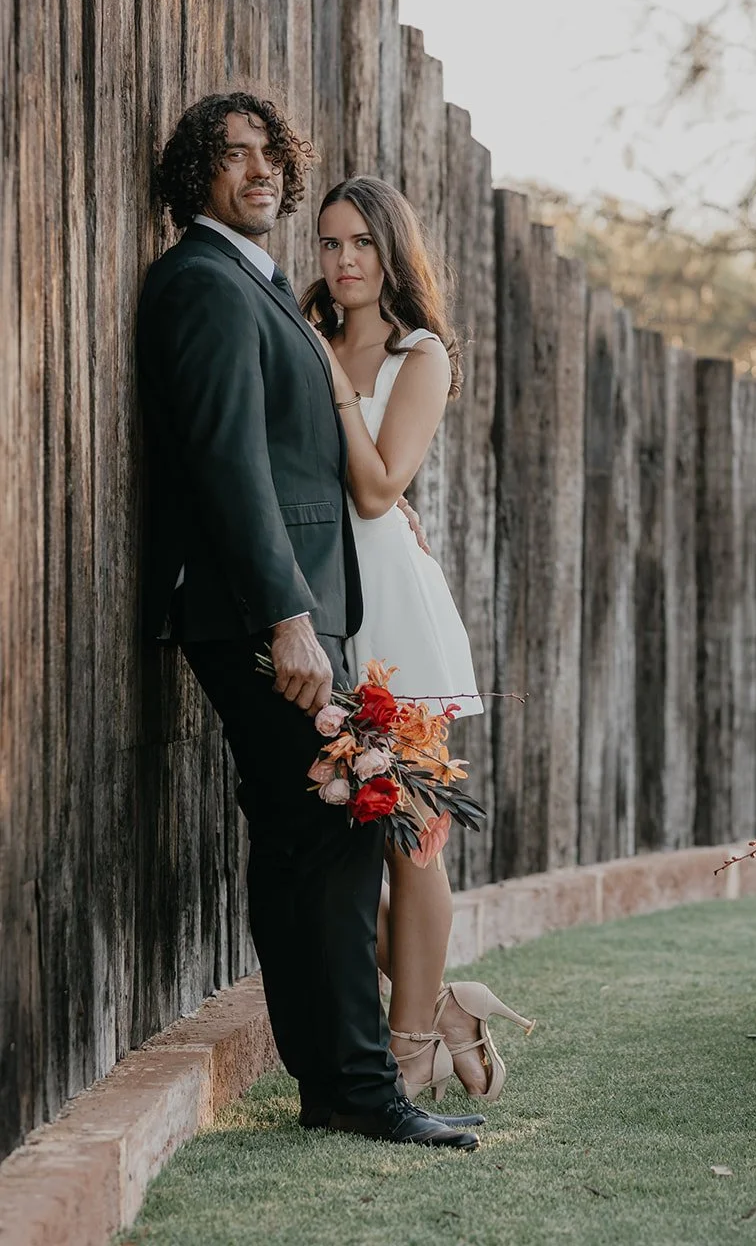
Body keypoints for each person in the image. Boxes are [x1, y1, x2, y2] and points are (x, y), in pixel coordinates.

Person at [136, 92, 481, 1148]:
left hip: (311, 610)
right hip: (264, 614)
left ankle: (341, 1083)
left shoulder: (260, 285)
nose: (254, 172)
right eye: (228, 157)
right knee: (327, 838)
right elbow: (229, 459)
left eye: (265, 155)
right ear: (194, 176)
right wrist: (289, 616)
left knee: (313, 841)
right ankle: (360, 1087)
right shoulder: (201, 281)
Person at [302, 176, 534, 1104]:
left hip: (394, 614)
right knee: (333, 841)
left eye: (360, 242)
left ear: (392, 250)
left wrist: (336, 387)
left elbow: (374, 490)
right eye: (327, 244)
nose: (344, 260)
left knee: (411, 834)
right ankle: (444, 1009)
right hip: (320, 607)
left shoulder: (420, 354)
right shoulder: (307, 335)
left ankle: (409, 1042)